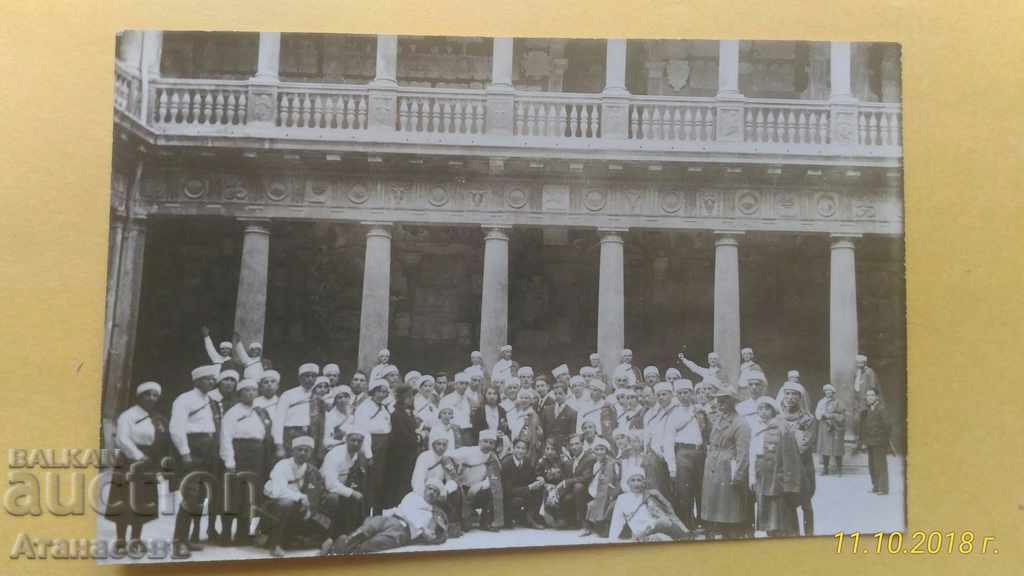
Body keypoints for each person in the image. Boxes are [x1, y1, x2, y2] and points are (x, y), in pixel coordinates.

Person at [106, 381, 170, 556]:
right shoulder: (128, 415)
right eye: (147, 394)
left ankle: (135, 538)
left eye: (155, 395)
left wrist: (157, 462)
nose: (151, 398)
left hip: (148, 461)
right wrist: (138, 455)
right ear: (139, 396)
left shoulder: (157, 418)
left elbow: (161, 441)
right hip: (129, 461)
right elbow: (122, 439)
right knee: (124, 499)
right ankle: (120, 540)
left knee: (142, 500)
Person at [169, 365, 220, 556]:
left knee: (200, 496)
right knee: (190, 495)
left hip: (208, 450)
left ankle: (188, 538)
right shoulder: (184, 399)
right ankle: (178, 542)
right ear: (197, 381)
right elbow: (176, 427)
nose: (212, 382)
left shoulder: (211, 401)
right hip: (193, 448)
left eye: (213, 379)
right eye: (208, 379)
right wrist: (185, 452)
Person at [323, 481, 449, 555]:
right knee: (366, 529)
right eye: (430, 489)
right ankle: (338, 547)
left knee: (373, 544)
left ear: (438, 496)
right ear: (425, 489)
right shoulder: (413, 496)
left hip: (402, 532)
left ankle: (340, 551)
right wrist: (421, 528)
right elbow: (405, 510)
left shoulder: (434, 513)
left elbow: (439, 535)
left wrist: (429, 536)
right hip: (391, 518)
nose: (431, 492)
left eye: (435, 491)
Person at [219, 378, 273, 545]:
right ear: (239, 393)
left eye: (253, 390)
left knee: (250, 495)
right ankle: (226, 533)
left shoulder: (261, 412)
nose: (250, 393)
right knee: (233, 494)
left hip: (257, 455)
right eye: (246, 390)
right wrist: (229, 460)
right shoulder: (233, 412)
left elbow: (267, 435)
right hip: (239, 453)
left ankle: (243, 533)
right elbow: (225, 436)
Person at [263, 436, 329, 556]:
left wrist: (310, 508)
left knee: (325, 515)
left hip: (303, 508)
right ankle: (275, 544)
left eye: (306, 450)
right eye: (299, 450)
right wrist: (301, 497)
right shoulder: (282, 466)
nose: (302, 453)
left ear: (310, 453)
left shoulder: (312, 470)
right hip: (275, 507)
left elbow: (317, 492)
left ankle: (324, 540)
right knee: (286, 503)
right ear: (292, 451)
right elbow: (278, 492)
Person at [699, 387, 751, 539]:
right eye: (718, 400)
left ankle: (731, 534)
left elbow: (743, 452)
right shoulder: (718, 419)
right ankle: (714, 531)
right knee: (713, 505)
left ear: (733, 402)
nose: (720, 403)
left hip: (728, 467)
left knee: (728, 507)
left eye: (724, 400)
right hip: (713, 465)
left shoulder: (740, 424)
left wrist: (739, 474)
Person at [748, 395, 800, 537]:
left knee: (779, 508)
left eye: (767, 408)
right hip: (761, 471)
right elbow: (752, 452)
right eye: (760, 409)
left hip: (777, 473)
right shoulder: (756, 428)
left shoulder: (782, 428)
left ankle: (782, 534)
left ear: (773, 410)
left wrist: (787, 479)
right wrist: (751, 476)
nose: (763, 411)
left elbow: (789, 456)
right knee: (765, 504)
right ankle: (771, 533)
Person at [776, 381, 817, 535]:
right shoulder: (778, 418)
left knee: (806, 502)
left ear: (800, 398)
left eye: (794, 394)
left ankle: (808, 534)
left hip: (802, 466)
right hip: (784, 467)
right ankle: (792, 534)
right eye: (787, 393)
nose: (790, 397)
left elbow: (804, 444)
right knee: (787, 502)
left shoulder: (808, 419)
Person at [608, 467, 689, 542]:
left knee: (666, 526)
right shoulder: (622, 498)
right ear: (628, 483)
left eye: (639, 480)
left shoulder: (649, 495)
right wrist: (612, 539)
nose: (636, 483)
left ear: (643, 482)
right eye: (633, 480)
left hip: (656, 526)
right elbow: (617, 520)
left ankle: (684, 536)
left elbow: (667, 510)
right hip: (641, 531)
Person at [320, 424, 372, 543]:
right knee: (334, 499)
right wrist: (352, 492)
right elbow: (330, 484)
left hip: (345, 488)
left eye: (359, 441)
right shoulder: (335, 455)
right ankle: (327, 536)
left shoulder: (359, 456)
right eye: (353, 440)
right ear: (346, 439)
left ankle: (352, 533)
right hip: (326, 491)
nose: (356, 444)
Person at [411, 427, 463, 535]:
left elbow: (452, 479)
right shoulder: (424, 457)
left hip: (439, 491)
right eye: (438, 444)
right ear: (433, 444)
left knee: (456, 492)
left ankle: (453, 524)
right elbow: (418, 480)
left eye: (444, 444)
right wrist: (423, 496)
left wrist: (445, 490)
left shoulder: (446, 459)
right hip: (425, 492)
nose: (441, 447)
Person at [451, 430, 504, 532]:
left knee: (492, 490)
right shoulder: (467, 451)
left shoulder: (492, 457)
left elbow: (492, 478)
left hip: (476, 489)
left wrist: (479, 485)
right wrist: (457, 468)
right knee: (465, 527)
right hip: (462, 487)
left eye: (491, 443)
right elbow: (448, 456)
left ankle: (485, 522)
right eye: (485, 441)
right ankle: (459, 519)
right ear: (479, 442)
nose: (488, 445)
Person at [355, 379, 393, 515]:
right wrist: (368, 453)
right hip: (372, 445)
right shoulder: (364, 407)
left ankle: (378, 513)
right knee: (370, 482)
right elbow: (363, 431)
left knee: (381, 482)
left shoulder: (384, 408)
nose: (382, 395)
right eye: (379, 391)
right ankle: (365, 514)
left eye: (384, 392)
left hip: (384, 447)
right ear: (373, 391)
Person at [385, 384, 420, 508]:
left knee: (406, 481)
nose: (411, 399)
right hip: (400, 456)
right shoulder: (397, 414)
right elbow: (403, 436)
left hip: (408, 454)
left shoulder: (408, 412)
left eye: (412, 397)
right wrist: (417, 439)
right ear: (402, 398)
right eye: (408, 397)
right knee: (399, 482)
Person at [273, 363, 319, 459]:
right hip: (291, 435)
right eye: (307, 376)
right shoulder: (288, 395)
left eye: (313, 376)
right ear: (300, 378)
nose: (310, 379)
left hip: (311, 435)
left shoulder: (319, 396)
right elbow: (278, 421)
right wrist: (279, 445)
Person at [501, 438, 546, 528]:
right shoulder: (506, 464)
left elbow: (533, 476)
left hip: (522, 491)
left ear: (526, 451)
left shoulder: (526, 461)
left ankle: (531, 518)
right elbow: (507, 490)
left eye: (523, 449)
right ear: (513, 448)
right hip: (508, 497)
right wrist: (529, 488)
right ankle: (512, 518)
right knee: (518, 500)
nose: (520, 451)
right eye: (518, 448)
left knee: (539, 488)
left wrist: (539, 479)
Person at [641, 382, 676, 500]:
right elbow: (648, 437)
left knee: (666, 489)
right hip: (654, 455)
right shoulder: (649, 414)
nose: (661, 398)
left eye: (664, 394)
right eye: (659, 395)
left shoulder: (672, 410)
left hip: (668, 454)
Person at [582, 438, 620, 536]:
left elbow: (616, 481)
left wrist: (612, 494)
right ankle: (589, 526)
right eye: (597, 449)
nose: (599, 452)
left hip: (608, 495)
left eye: (602, 449)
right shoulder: (595, 464)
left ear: (606, 450)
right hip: (596, 493)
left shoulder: (612, 463)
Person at [557, 434, 596, 530]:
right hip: (575, 492)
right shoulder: (572, 459)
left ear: (582, 444)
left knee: (578, 486)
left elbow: (586, 477)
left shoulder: (589, 458)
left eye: (576, 444)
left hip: (588, 492)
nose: (574, 447)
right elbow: (567, 477)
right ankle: (567, 519)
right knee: (564, 493)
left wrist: (567, 482)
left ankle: (584, 522)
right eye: (571, 445)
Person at [858, 388, 891, 495]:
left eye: (872, 395)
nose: (869, 397)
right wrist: (864, 441)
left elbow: (888, 426)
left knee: (880, 465)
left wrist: (883, 440)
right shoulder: (867, 410)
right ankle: (876, 486)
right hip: (870, 441)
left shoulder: (881, 409)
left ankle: (883, 488)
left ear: (877, 397)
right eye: (868, 395)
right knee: (872, 465)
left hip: (879, 441)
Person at [815, 384, 847, 475]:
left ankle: (839, 469)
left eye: (830, 391)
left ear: (833, 392)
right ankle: (825, 469)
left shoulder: (838, 402)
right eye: (826, 391)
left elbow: (843, 415)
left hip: (835, 427)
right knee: (825, 448)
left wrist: (833, 416)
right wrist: (823, 415)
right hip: (824, 426)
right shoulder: (821, 402)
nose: (828, 392)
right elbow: (817, 413)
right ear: (824, 392)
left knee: (837, 449)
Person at [507, 388, 544, 465]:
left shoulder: (532, 415)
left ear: (531, 401)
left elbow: (532, 436)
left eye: (526, 398)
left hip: (526, 448)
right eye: (521, 398)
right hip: (515, 445)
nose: (523, 400)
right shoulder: (516, 413)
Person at [471, 382, 510, 449]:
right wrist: (492, 434)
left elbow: (506, 429)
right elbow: (475, 432)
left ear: (498, 395)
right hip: (483, 445)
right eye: (489, 393)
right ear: (485, 395)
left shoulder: (502, 410)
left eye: (494, 394)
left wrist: (502, 433)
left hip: (499, 445)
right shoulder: (480, 411)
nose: (492, 396)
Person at [541, 380, 577, 451]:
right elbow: (544, 430)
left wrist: (566, 448)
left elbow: (571, 434)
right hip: (547, 447)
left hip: (562, 447)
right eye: (555, 394)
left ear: (566, 394)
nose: (558, 396)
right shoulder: (547, 410)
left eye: (560, 394)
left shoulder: (572, 412)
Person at [441, 372, 474, 446]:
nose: (464, 386)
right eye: (461, 383)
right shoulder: (447, 399)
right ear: (455, 385)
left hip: (467, 432)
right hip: (452, 431)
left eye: (466, 384)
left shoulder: (468, 400)